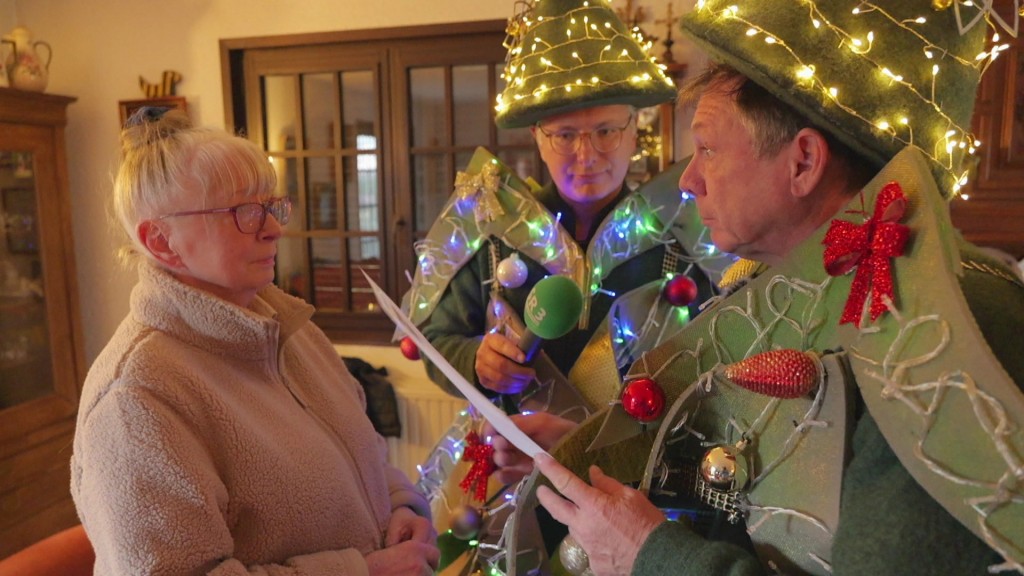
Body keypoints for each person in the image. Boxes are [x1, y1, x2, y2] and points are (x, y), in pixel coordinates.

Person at [485, 1, 1024, 575]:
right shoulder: (799, 289)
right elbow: (752, 481)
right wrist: (595, 455)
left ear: (803, 163)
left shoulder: (938, 330)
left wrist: (649, 555)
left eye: (710, 148)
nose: (689, 181)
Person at [400, 1, 733, 572]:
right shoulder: (491, 221)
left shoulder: (691, 222)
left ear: (636, 128)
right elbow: (429, 336)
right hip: (499, 486)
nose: (587, 155)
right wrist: (476, 361)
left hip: (635, 494)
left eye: (606, 130)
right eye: (565, 135)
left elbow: (721, 372)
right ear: (536, 134)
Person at [70, 108, 438, 575]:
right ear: (162, 241)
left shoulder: (293, 333)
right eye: (243, 211)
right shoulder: (135, 398)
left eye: (271, 205)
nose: (273, 228)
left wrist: (402, 506)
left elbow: (361, 456)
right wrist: (365, 572)